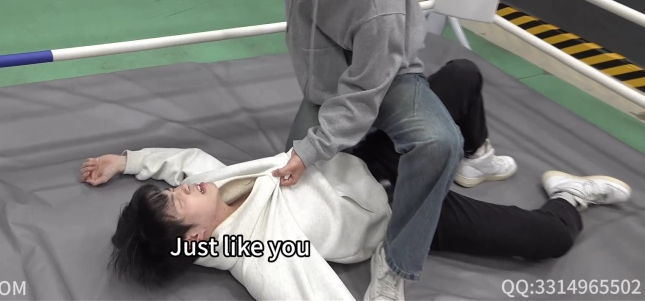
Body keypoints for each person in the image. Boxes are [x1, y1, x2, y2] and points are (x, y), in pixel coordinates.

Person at [173, 0, 518, 291]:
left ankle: (396, 262)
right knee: (287, 183)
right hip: (326, 90)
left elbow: (365, 88)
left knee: (438, 143)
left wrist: (314, 149)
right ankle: (410, 163)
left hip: (387, 80)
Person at [81, 58, 632, 301]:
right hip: (405, 213)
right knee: (549, 238)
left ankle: (472, 158)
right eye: (175, 204)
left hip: (370, 157)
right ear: (199, 238)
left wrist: (125, 159)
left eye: (172, 191)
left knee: (461, 75)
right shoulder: (259, 252)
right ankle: (571, 195)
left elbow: (184, 160)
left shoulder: (209, 183)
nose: (182, 190)